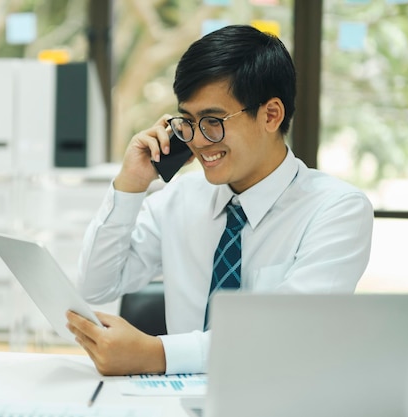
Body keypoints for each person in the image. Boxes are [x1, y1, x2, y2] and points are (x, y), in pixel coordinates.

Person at [65, 24, 373, 376]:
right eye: (188, 121)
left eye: (213, 120)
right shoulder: (179, 198)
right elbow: (95, 284)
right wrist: (130, 184)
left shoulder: (337, 210)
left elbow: (290, 335)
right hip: (174, 402)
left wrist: (157, 354)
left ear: (271, 115)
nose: (197, 141)